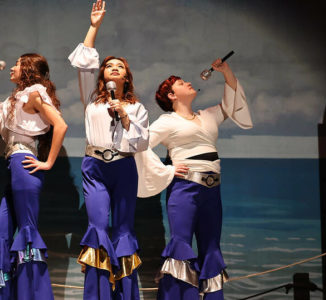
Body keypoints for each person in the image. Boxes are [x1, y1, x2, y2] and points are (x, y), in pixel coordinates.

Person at [135, 59, 253, 300]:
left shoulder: (209, 114)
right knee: (181, 246)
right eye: (181, 82)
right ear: (171, 95)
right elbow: (140, 144)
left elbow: (232, 103)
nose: (188, 82)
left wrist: (226, 71)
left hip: (213, 189)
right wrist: (167, 170)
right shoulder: (168, 121)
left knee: (211, 248)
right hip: (185, 188)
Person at [0, 53, 68, 300]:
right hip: (14, 166)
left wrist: (48, 162)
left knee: (27, 234)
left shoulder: (34, 93)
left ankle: (32, 294)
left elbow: (61, 125)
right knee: (1, 233)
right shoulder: (14, 100)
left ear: (29, 70)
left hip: (24, 164)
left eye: (17, 64)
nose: (11, 67)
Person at [67, 1, 149, 299]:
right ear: (102, 76)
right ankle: (97, 293)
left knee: (124, 230)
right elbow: (84, 61)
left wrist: (124, 114)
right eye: (109, 67)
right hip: (95, 167)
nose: (113, 69)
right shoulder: (92, 100)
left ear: (126, 78)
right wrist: (94, 26)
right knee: (98, 226)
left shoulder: (137, 107)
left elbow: (141, 142)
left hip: (125, 167)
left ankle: (126, 294)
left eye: (120, 67)